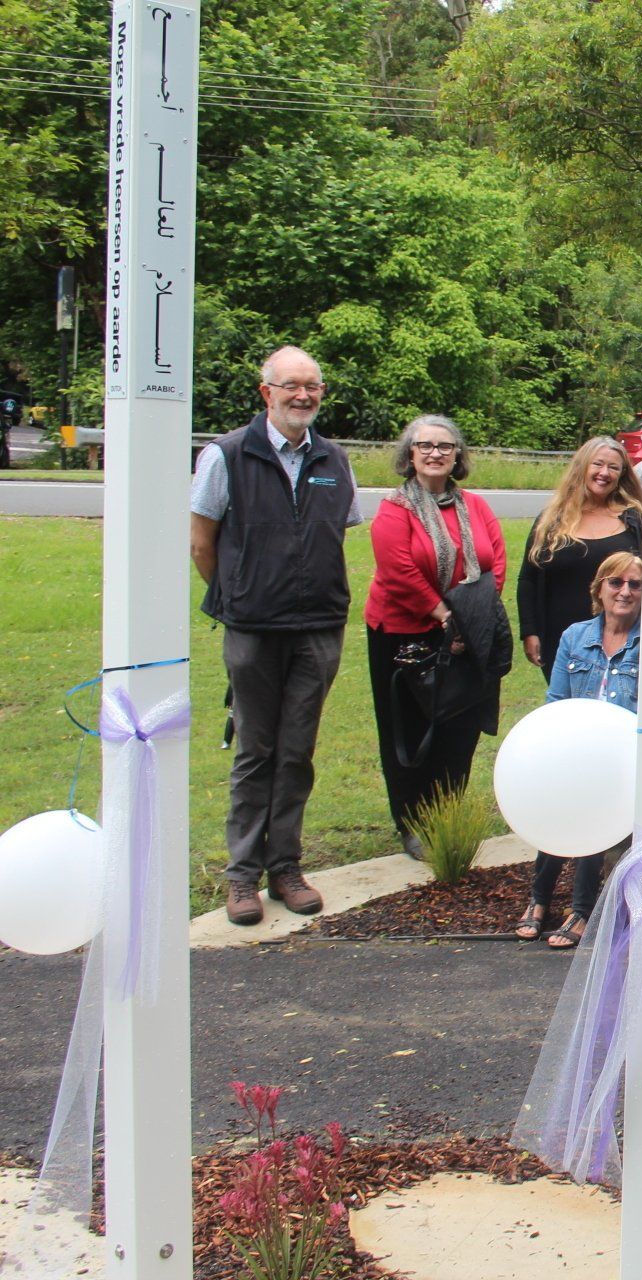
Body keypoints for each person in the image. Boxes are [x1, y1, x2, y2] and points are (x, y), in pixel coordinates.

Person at [189, 346, 360, 926]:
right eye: (291, 385)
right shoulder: (227, 455)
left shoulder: (334, 459)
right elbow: (201, 542)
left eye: (313, 386)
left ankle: (285, 866)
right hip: (254, 630)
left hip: (317, 628)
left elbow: (336, 534)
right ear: (267, 392)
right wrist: (240, 596)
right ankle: (242, 876)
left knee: (296, 752)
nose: (304, 396)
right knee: (255, 750)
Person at [365, 415, 509, 858]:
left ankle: (445, 815)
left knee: (459, 727)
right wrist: (449, 618)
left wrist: (470, 622)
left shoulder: (476, 506)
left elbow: (495, 561)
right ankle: (411, 823)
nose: (435, 453)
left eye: (445, 447)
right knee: (410, 730)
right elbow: (400, 572)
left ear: (457, 456)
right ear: (409, 454)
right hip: (406, 633)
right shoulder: (395, 508)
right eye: (425, 445)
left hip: (468, 635)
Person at [513, 552, 642, 948]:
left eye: (634, 585)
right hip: (575, 749)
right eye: (616, 583)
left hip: (622, 758)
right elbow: (557, 700)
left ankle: (581, 909)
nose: (624, 591)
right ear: (599, 588)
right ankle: (539, 899)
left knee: (596, 805)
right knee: (559, 800)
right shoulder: (574, 637)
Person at [517, 437, 642, 681]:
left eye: (613, 468)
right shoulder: (550, 521)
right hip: (559, 634)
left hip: (622, 635)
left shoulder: (635, 520)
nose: (604, 473)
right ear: (582, 467)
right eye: (597, 464)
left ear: (622, 474)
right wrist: (529, 631)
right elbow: (528, 578)